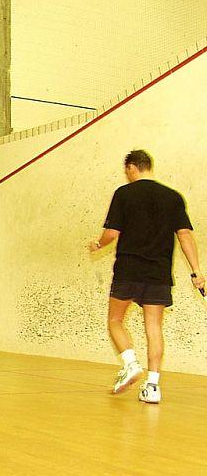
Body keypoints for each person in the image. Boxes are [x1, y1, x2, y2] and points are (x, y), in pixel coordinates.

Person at [89, 149, 204, 403]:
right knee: (154, 327)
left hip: (128, 270)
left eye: (127, 171)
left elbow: (112, 233)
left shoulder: (124, 193)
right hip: (158, 273)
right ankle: (152, 386)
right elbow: (185, 235)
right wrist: (197, 271)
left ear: (131, 167)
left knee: (115, 320)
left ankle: (130, 363)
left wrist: (97, 244)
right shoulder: (173, 197)